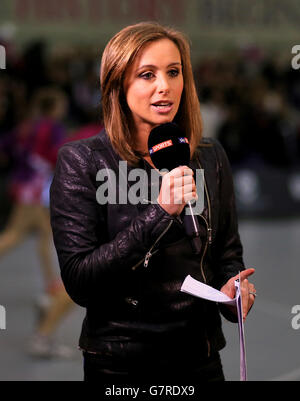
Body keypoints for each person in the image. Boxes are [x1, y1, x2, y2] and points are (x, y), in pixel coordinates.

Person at [50, 22, 256, 382]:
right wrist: (160, 213)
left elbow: (226, 252)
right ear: (118, 83)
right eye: (147, 74)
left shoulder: (209, 156)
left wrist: (233, 289)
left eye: (173, 72)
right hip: (119, 361)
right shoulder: (83, 161)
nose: (165, 86)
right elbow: (80, 281)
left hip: (201, 356)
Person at [0, 87, 74, 358]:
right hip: (35, 188)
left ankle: (51, 282)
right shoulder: (51, 127)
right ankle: (54, 284)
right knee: (15, 234)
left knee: (46, 236)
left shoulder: (28, 125)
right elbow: (59, 156)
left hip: (28, 185)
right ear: (54, 106)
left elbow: (6, 146)